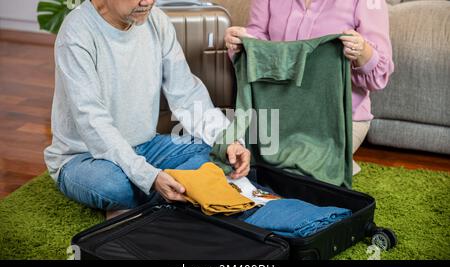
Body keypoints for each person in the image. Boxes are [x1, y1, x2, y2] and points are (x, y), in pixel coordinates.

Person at [44, 0, 251, 219]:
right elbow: (93, 122)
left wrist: (229, 140)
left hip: (146, 145)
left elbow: (186, 94)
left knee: (213, 153)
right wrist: (150, 177)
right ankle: (175, 194)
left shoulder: (158, 21)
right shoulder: (76, 33)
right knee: (113, 185)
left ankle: (150, 200)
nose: (148, 2)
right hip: (85, 157)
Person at [224, 0, 394, 175]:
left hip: (337, 120)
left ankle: (331, 162)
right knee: (234, 158)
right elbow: (257, 41)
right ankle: (331, 163)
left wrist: (362, 50)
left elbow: (378, 77)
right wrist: (242, 42)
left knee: (295, 174)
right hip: (279, 112)